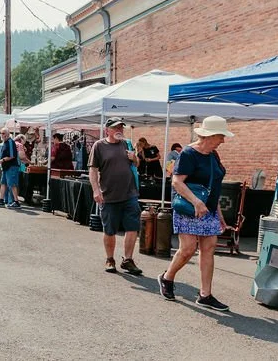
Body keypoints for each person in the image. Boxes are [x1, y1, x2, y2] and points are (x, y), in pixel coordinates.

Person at [158, 116, 233, 311]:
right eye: (220, 136)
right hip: (189, 207)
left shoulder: (214, 155)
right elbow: (176, 182)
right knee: (188, 249)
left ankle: (205, 295)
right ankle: (167, 278)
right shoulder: (189, 154)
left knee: (209, 248)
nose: (223, 141)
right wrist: (196, 202)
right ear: (209, 136)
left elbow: (213, 187)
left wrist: (219, 214)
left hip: (208, 209)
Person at [88, 117, 143, 275]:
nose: (119, 130)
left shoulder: (127, 144)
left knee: (132, 227)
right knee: (110, 230)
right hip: (109, 195)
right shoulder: (99, 146)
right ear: (107, 130)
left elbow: (137, 164)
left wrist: (135, 158)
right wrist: (96, 190)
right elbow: (93, 170)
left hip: (130, 193)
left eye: (121, 127)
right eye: (115, 128)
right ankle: (110, 259)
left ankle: (128, 260)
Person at [0, 128, 22, 209]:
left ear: (8, 134)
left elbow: (12, 156)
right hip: (6, 167)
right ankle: (1, 200)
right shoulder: (5, 142)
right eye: (1, 133)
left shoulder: (10, 142)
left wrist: (2, 160)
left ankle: (16, 201)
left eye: (4, 133)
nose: (2, 135)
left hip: (11, 167)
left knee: (12, 184)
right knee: (3, 184)